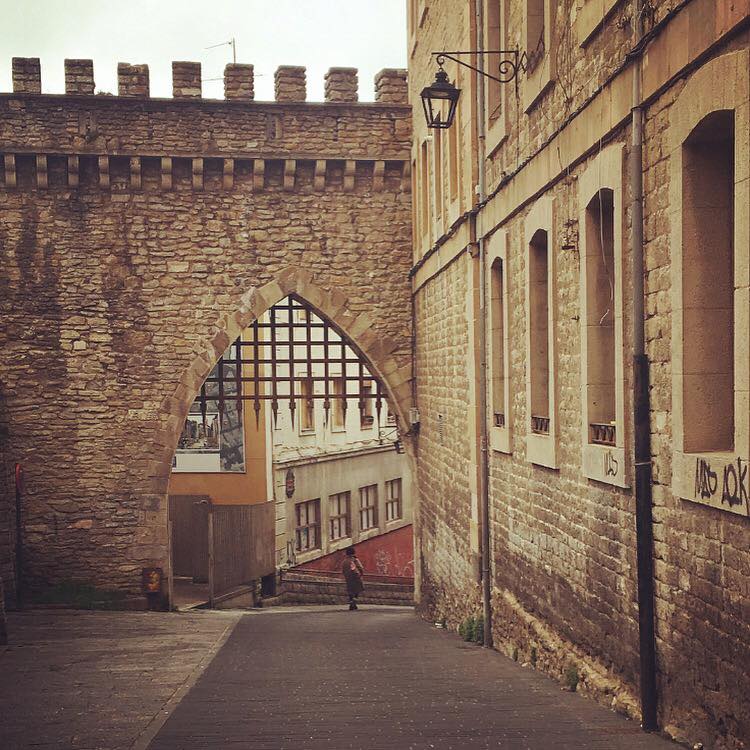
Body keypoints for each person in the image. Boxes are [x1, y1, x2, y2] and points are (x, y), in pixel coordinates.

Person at [342, 546, 364, 610]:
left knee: (350, 590)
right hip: (356, 577)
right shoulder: (355, 560)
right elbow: (360, 567)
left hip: (348, 578)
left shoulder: (344, 561)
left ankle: (351, 601)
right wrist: (361, 574)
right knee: (357, 589)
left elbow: (343, 570)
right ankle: (354, 602)